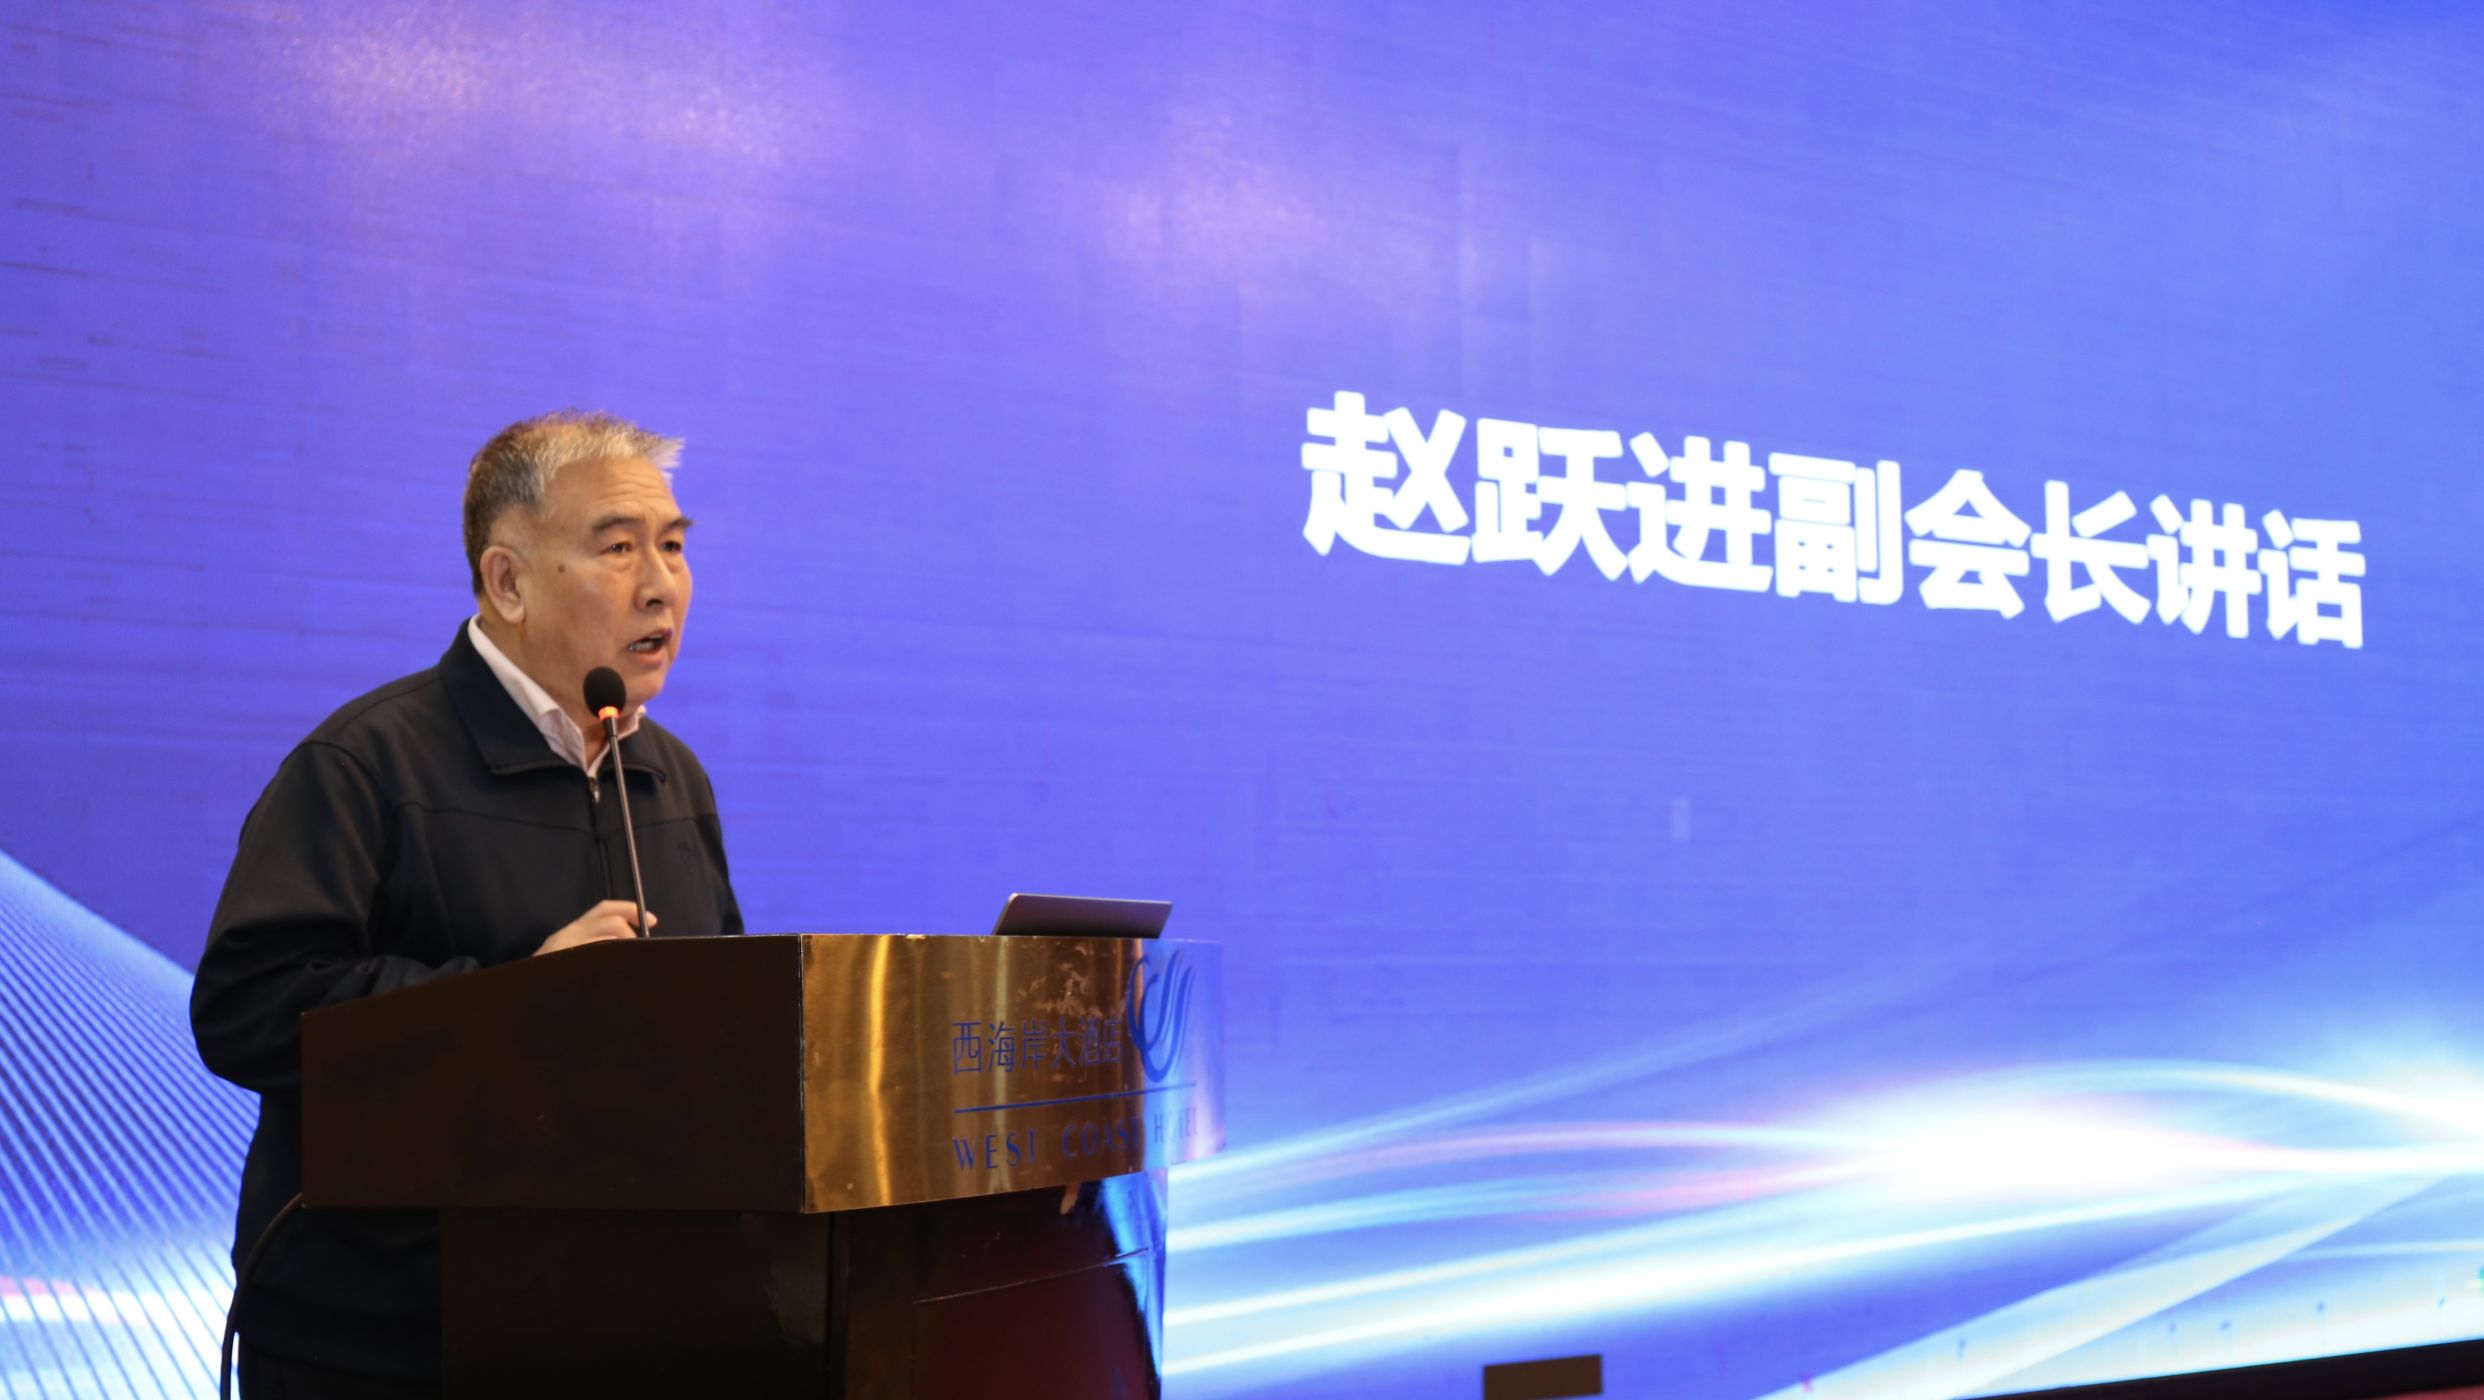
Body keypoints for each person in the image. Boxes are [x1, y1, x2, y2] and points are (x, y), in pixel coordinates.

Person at [191, 410, 744, 1397]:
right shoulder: (368, 763)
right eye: (618, 547)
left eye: (672, 545)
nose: (662, 582)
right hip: (381, 1343)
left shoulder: (670, 775)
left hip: (617, 1325)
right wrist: (515, 1001)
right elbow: (249, 1005)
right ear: (508, 582)